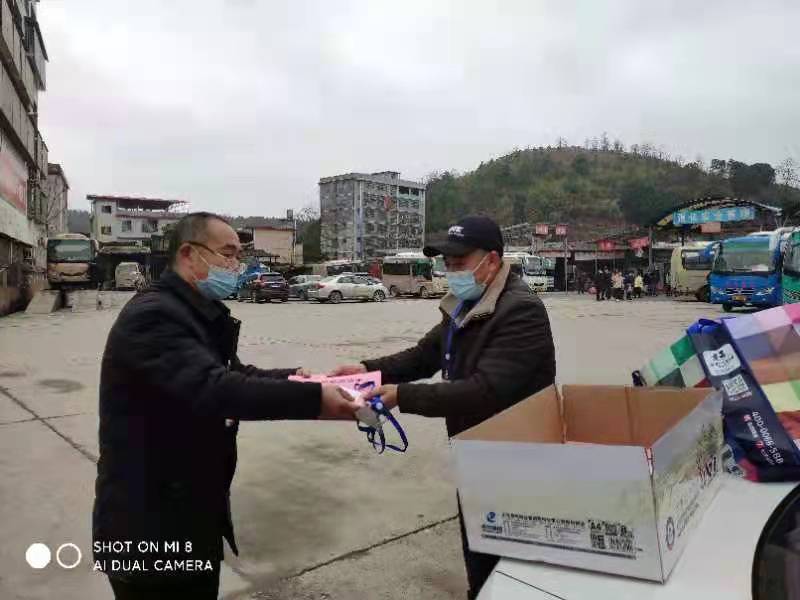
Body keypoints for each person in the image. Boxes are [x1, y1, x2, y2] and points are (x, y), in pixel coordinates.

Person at [92, 213, 360, 600]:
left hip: (184, 514)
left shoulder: (192, 313)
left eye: (239, 256)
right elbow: (216, 388)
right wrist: (316, 400)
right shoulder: (154, 317)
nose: (237, 266)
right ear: (189, 254)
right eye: (228, 255)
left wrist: (299, 379)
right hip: (149, 526)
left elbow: (233, 372)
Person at [330, 216, 556, 599]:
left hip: (519, 462)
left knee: (511, 569)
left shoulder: (520, 311)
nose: (450, 271)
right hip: (478, 455)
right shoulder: (465, 305)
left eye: (459, 262)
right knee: (480, 558)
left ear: (492, 260)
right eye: (446, 264)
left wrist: (403, 396)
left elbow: (486, 391)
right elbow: (423, 356)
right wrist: (368, 369)